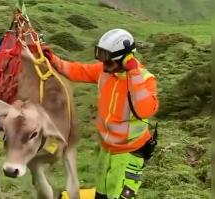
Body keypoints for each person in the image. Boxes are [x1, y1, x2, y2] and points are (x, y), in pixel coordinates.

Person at [45, 29, 159, 199]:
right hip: (107, 149)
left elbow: (144, 110)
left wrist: (133, 74)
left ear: (126, 58)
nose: (103, 63)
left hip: (129, 154)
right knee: (101, 194)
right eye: (101, 56)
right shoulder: (105, 71)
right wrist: (52, 58)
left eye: (108, 58)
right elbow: (76, 70)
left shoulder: (144, 79)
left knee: (118, 196)